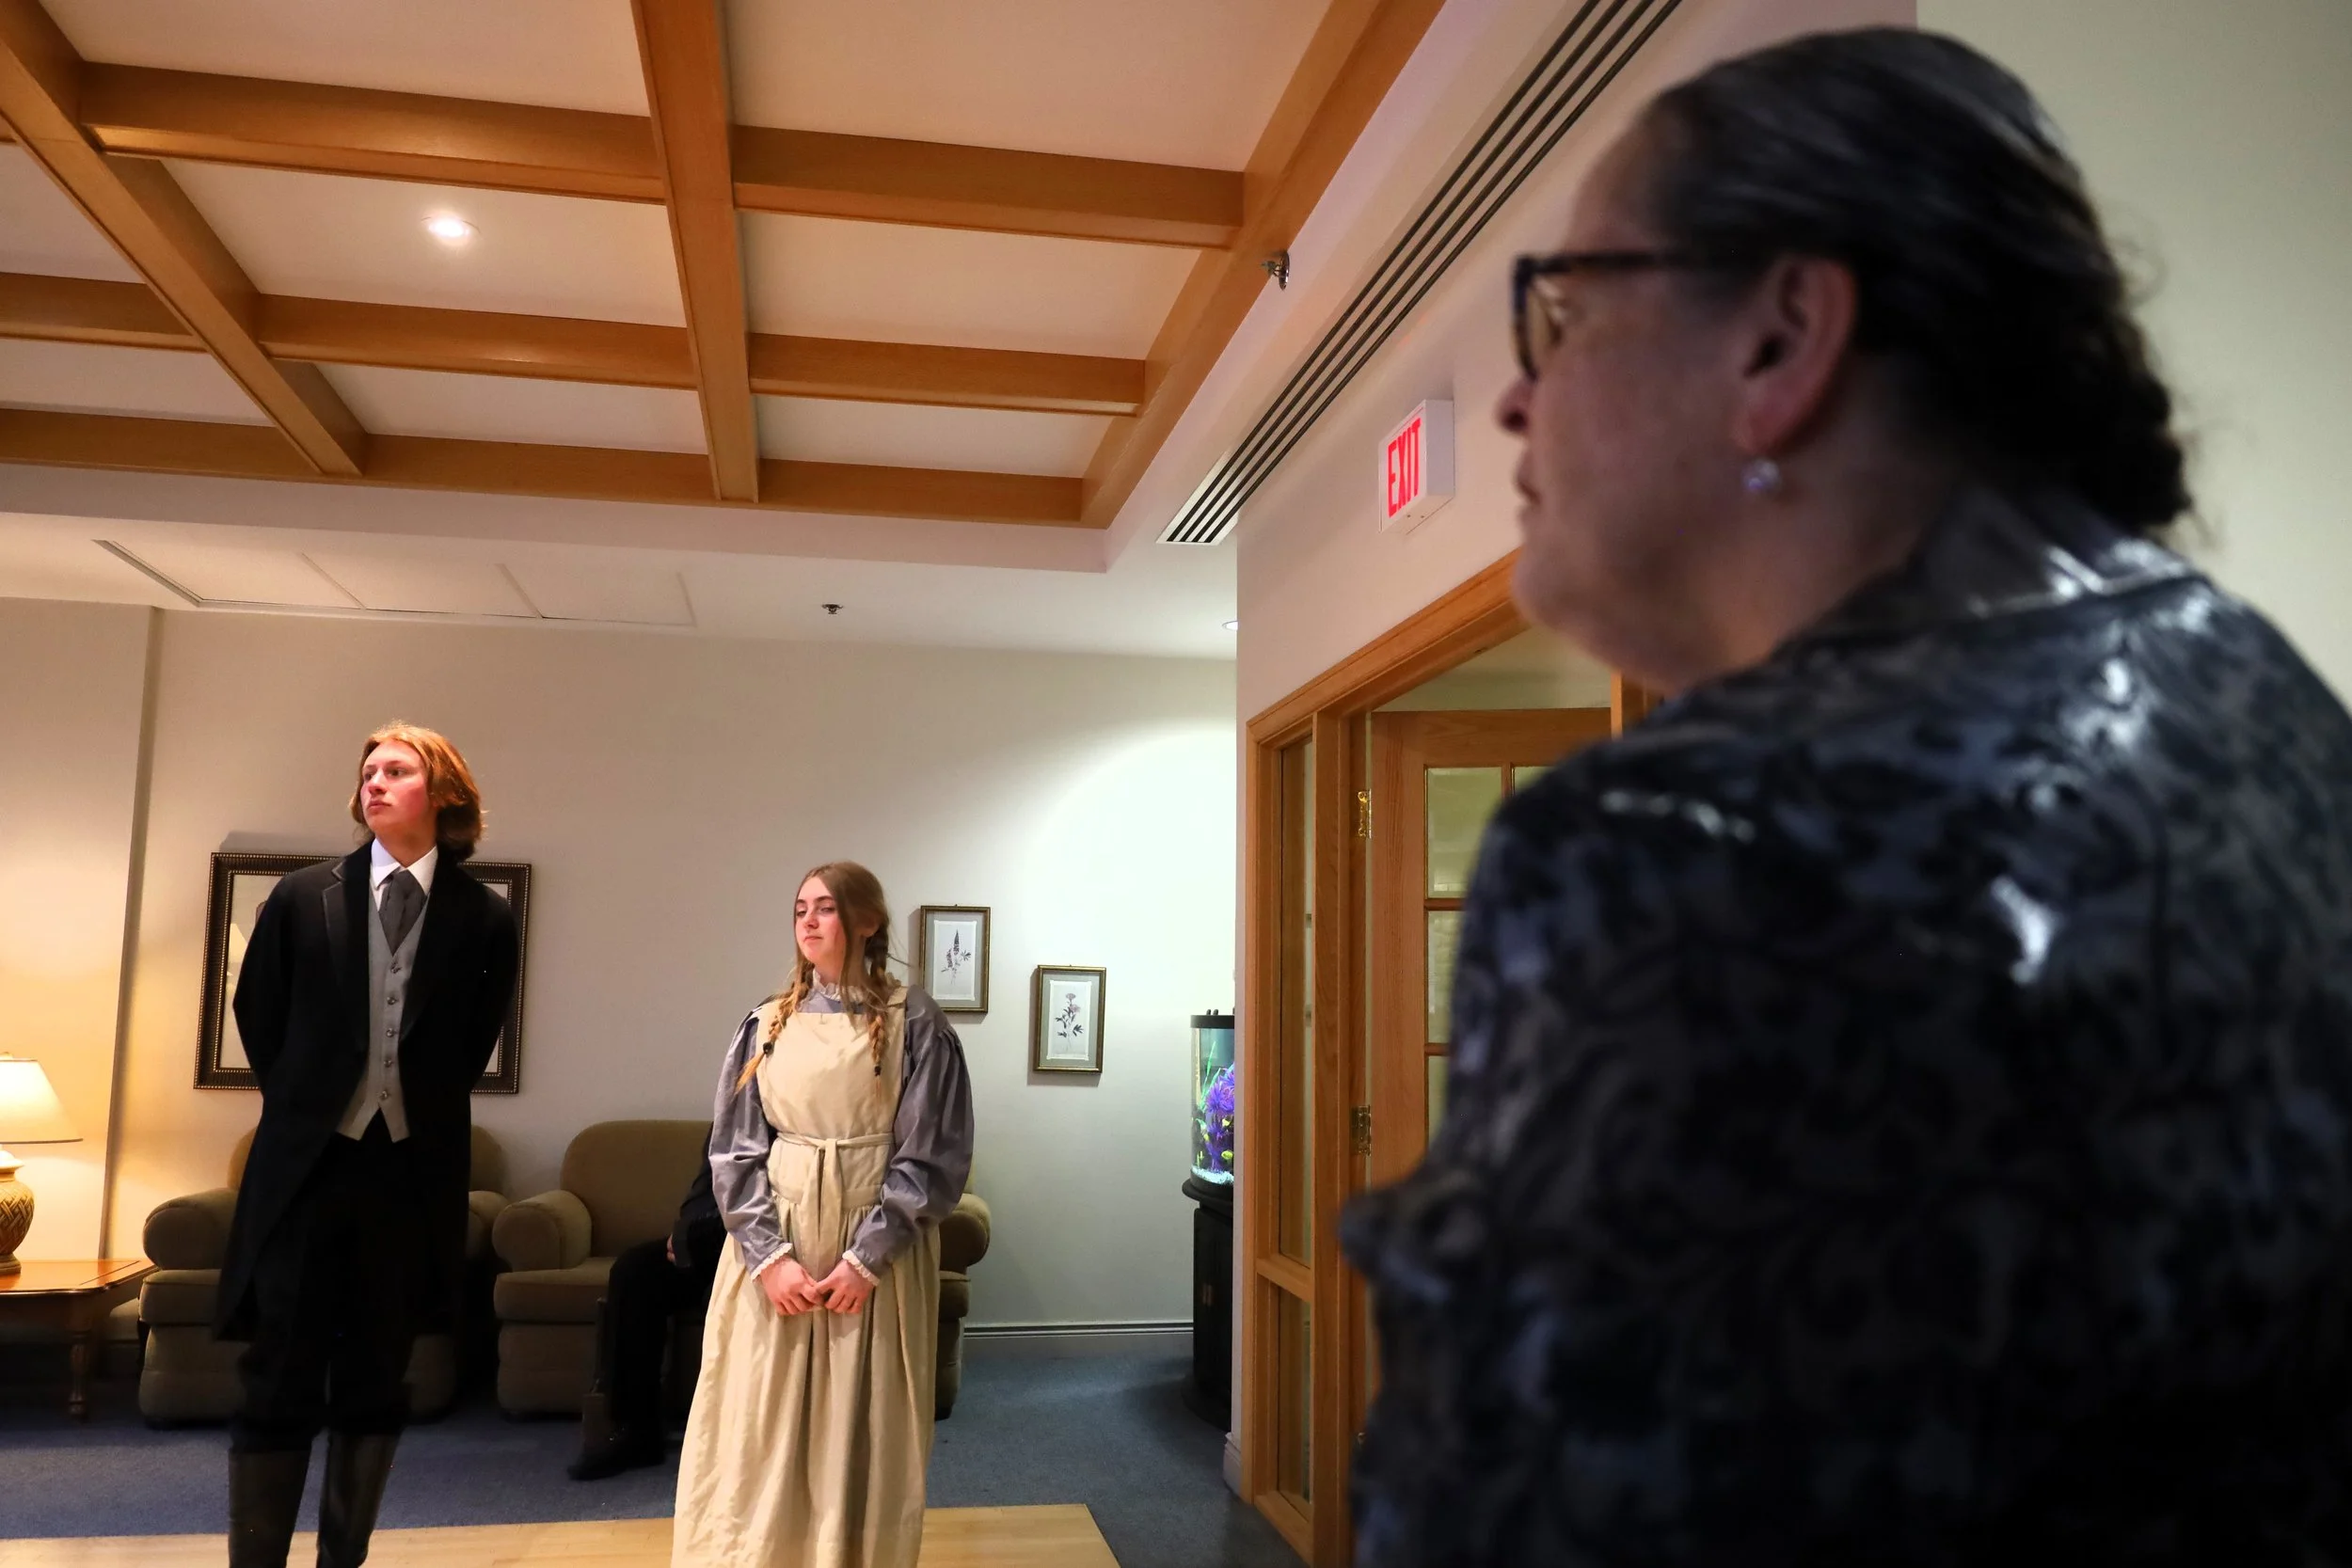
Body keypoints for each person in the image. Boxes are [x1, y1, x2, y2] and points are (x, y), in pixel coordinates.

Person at [1342, 27, 2352, 1567]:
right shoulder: (2277, 706)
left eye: (1560, 313)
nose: (1513, 408)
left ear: (1781, 338)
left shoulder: (1690, 844)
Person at [218, 724, 520, 1568]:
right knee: (277, 1373)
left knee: (377, 1379)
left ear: (445, 794)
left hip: (407, 1177)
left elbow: (468, 1046)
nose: (374, 783)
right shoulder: (301, 896)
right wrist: (312, 1105)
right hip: (304, 1175)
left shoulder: (484, 917)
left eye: (396, 770)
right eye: (368, 772)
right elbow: (259, 1018)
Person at [673, 862, 974, 1568]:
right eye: (799, 908)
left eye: (826, 908)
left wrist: (866, 1259)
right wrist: (768, 1259)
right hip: (778, 1241)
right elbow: (735, 1149)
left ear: (867, 921)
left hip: (873, 1247)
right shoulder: (767, 1020)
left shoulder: (913, 1021)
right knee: (759, 1421)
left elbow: (931, 1154)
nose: (808, 921)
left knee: (860, 1422)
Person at [569, 1158, 724, 1481]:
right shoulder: (734, 1109)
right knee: (636, 1270)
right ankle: (637, 1431)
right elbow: (709, 1183)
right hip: (715, 1237)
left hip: (769, 1241)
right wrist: (686, 1232)